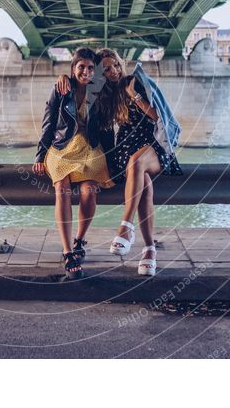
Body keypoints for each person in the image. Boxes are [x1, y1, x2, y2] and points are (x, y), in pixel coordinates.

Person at [57, 49, 182, 276]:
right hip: (125, 148)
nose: (113, 71)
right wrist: (66, 79)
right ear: (100, 73)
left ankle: (125, 227)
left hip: (151, 146)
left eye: (115, 65)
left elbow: (158, 117)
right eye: (106, 68)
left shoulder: (134, 82)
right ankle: (149, 250)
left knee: (137, 164)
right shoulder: (104, 92)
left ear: (120, 63)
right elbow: (87, 107)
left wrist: (134, 96)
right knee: (144, 182)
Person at [33, 48, 113, 280]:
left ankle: (79, 240)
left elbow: (107, 128)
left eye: (90, 68)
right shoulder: (61, 89)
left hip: (89, 148)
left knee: (89, 192)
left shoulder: (99, 90)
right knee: (62, 189)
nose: (86, 72)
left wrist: (114, 161)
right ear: (73, 68)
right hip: (62, 147)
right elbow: (48, 124)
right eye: (81, 67)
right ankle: (68, 252)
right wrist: (39, 156)